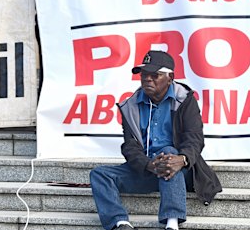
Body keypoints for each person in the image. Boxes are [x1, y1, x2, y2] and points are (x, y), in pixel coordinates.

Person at [90, 50, 222, 230]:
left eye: (154, 75)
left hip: (179, 171)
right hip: (148, 169)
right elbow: (130, 146)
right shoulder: (131, 106)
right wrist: (148, 164)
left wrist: (182, 159)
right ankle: (119, 222)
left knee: (169, 152)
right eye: (143, 75)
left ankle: (172, 222)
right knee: (100, 174)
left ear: (170, 78)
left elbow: (195, 138)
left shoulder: (185, 100)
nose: (147, 79)